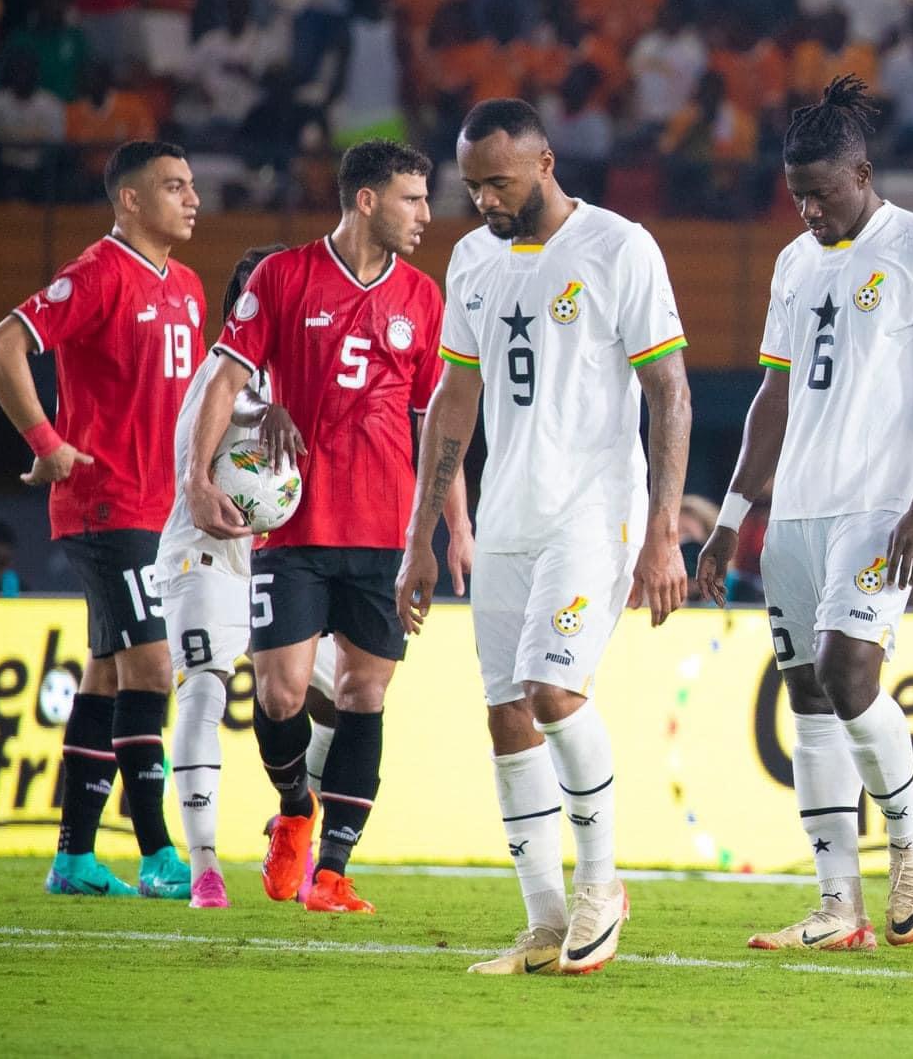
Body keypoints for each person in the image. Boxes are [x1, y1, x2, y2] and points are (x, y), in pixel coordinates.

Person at [398, 98, 691, 975]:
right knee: (506, 714)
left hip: (593, 513)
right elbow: (454, 400)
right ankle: (542, 921)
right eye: (472, 185)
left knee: (553, 691)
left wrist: (663, 533)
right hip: (507, 517)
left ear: (545, 162)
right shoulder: (472, 260)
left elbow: (670, 391)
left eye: (498, 181)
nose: (484, 199)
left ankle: (601, 884)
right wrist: (422, 537)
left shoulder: (618, 246)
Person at [694, 76, 913, 951]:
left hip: (882, 506)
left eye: (821, 193)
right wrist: (731, 516)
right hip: (797, 512)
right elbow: (772, 397)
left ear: (862, 173)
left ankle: (911, 837)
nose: (809, 210)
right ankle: (837, 905)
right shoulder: (793, 262)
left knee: (849, 669)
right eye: (797, 196)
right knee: (809, 696)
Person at [186, 139, 466, 915]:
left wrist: (456, 527)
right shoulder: (283, 277)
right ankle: (294, 809)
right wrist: (198, 478)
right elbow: (226, 378)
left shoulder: (423, 296)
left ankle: (334, 871)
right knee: (279, 695)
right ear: (367, 200)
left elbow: (438, 424)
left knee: (364, 692)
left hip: (385, 535)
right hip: (295, 530)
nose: (426, 213)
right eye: (412, 198)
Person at [0, 140, 206, 899]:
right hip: (109, 505)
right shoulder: (99, 272)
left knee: (108, 672)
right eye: (173, 186)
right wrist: (45, 441)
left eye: (191, 185)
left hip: (164, 512)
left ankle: (74, 857)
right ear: (129, 200)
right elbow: (0, 347)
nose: (192, 198)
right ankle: (158, 853)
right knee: (153, 668)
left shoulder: (188, 287)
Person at [153, 245, 316, 909]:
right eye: (257, 292)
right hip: (202, 554)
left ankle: (299, 826)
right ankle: (205, 869)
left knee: (335, 695)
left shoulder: (296, 381)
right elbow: (197, 451)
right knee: (202, 694)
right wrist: (255, 416)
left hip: (276, 563)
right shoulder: (218, 376)